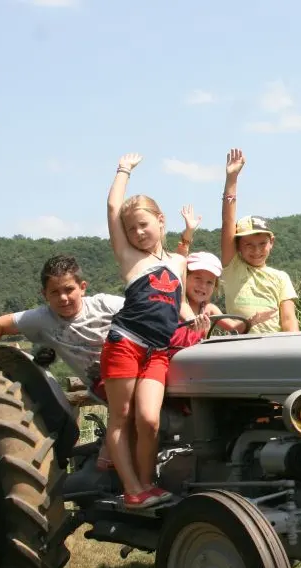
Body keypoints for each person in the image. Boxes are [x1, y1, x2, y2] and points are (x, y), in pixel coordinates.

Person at [0, 254, 122, 494]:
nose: (64, 298)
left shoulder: (105, 304)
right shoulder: (42, 318)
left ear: (83, 287)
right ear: (44, 294)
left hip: (129, 370)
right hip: (107, 383)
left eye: (69, 289)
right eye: (55, 292)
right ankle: (111, 468)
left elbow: (149, 308)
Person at [102, 153, 207, 509]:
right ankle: (133, 490)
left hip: (158, 351)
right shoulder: (130, 258)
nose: (137, 233)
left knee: (148, 420)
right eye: (131, 228)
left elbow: (177, 303)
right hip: (127, 343)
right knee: (122, 416)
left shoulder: (178, 262)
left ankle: (148, 484)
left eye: (144, 224)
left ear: (161, 221)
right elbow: (114, 205)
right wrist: (124, 171)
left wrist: (194, 319)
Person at [218, 148, 300, 334]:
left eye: (262, 244)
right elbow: (228, 222)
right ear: (238, 246)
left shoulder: (281, 277)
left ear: (272, 242)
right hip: (241, 348)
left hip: (274, 350)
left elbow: (288, 319)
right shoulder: (233, 267)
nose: (256, 250)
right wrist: (232, 179)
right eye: (248, 244)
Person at [174, 204, 276, 342]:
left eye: (209, 282)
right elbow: (178, 262)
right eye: (198, 278)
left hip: (194, 360)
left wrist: (253, 320)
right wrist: (188, 233)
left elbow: (234, 328)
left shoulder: (209, 310)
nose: (203, 285)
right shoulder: (177, 301)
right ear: (185, 278)